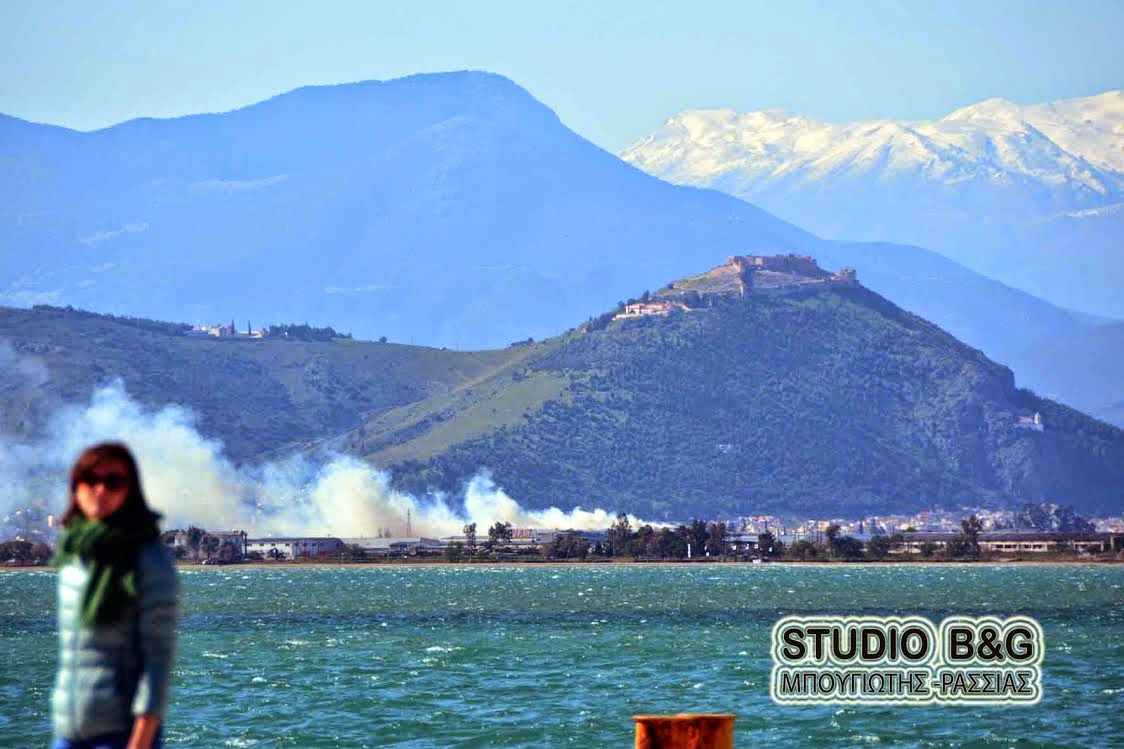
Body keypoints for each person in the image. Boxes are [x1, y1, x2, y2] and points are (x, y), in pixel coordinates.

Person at [51, 442, 179, 749]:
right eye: (90, 480)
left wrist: (141, 739)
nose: (100, 490)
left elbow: (158, 659)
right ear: (75, 487)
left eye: (113, 482)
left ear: (130, 490)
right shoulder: (73, 558)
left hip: (121, 735)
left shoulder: (148, 559)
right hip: (70, 731)